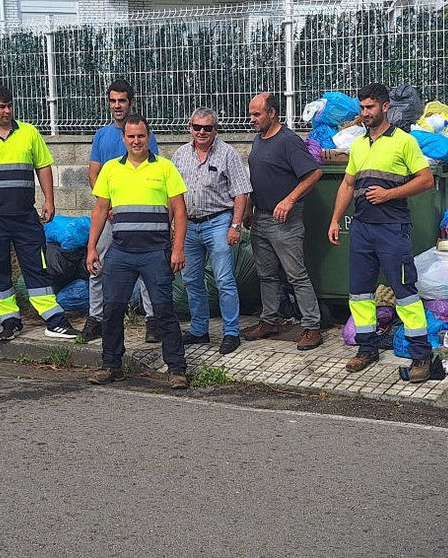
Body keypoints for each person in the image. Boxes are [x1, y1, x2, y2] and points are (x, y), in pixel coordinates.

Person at [327, 83, 434, 382]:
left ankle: (421, 356)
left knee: (406, 294)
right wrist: (335, 219)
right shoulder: (359, 145)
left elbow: (426, 181)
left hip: (392, 229)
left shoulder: (404, 142)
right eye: (362, 108)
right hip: (361, 228)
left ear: (385, 107)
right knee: (359, 294)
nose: (365, 113)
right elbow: (348, 185)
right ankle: (367, 349)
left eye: (370, 107)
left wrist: (390, 194)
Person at [0, 84, 79, 341]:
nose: (7, 111)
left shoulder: (29, 133)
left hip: (25, 215)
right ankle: (9, 321)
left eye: (10, 105)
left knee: (37, 265)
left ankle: (54, 320)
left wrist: (49, 200)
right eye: (1, 106)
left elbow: (43, 167)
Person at [85, 115, 189, 389]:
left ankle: (177, 369)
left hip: (156, 252)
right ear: (124, 139)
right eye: (131, 136)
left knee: (163, 309)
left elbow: (180, 211)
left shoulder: (165, 168)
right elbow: (99, 210)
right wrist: (91, 248)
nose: (136, 141)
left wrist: (178, 248)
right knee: (112, 309)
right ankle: (111, 365)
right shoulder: (110, 169)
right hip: (120, 253)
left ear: (148, 137)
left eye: (141, 136)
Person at [241, 93, 324, 350]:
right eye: (251, 114)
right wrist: (249, 208)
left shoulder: (288, 141)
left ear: (272, 113)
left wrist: (288, 201)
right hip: (261, 217)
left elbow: (314, 173)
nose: (251, 119)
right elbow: (257, 177)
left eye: (257, 114)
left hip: (285, 220)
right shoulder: (258, 140)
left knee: (296, 274)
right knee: (266, 275)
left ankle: (312, 326)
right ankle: (269, 320)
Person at [83, 79, 161, 344]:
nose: (117, 106)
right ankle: (96, 319)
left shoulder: (146, 135)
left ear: (132, 103)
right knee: (98, 265)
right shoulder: (102, 136)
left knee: (147, 269)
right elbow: (94, 174)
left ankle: (153, 322)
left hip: (139, 219)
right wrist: (110, 206)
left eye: (122, 101)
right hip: (110, 217)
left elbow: (153, 172)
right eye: (113, 101)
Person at [171, 107, 251, 355]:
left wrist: (235, 226)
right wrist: (172, 226)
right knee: (191, 280)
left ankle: (230, 333)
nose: (202, 132)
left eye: (207, 128)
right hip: (189, 225)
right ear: (189, 128)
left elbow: (241, 193)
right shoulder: (179, 155)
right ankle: (199, 330)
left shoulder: (228, 154)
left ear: (216, 129)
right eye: (197, 127)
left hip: (218, 222)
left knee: (224, 280)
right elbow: (173, 195)